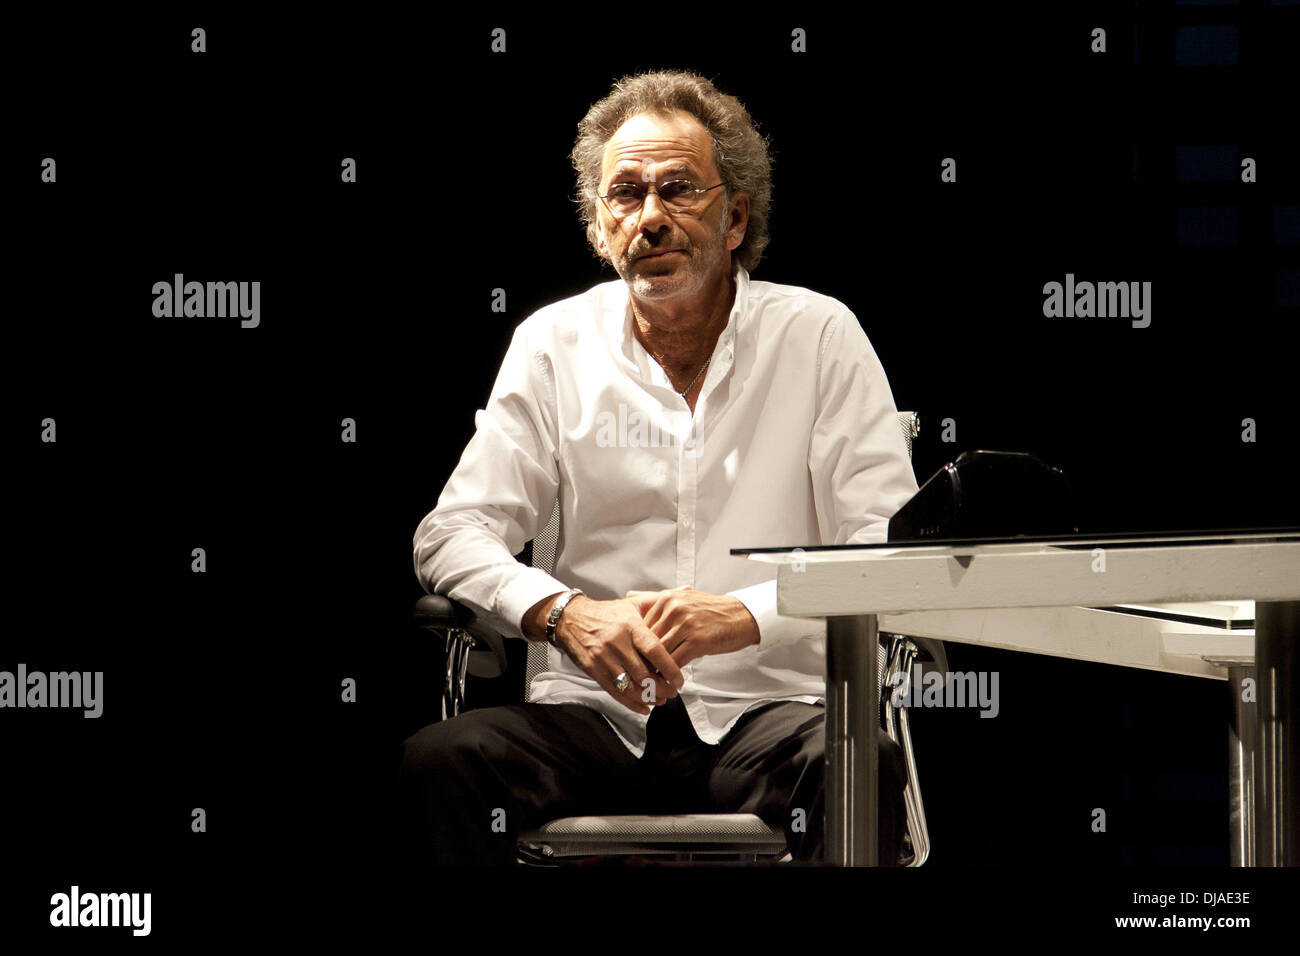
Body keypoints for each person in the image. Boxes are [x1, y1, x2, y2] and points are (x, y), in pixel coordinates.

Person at [400, 69, 919, 865]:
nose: (650, 219)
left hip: (770, 711)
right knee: (441, 761)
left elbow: (888, 553)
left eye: (679, 190)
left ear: (736, 217)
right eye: (625, 195)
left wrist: (742, 616)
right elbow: (452, 532)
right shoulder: (552, 344)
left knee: (858, 762)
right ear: (599, 226)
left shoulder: (819, 338)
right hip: (592, 719)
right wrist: (564, 614)